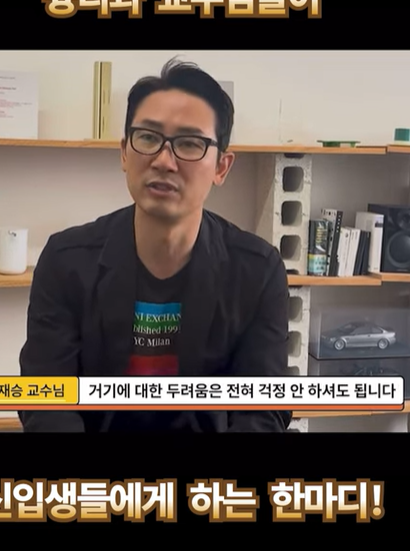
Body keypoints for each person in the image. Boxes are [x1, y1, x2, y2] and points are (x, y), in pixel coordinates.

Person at [19, 58, 291, 432]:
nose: (164, 160)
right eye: (148, 137)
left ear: (221, 167)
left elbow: (263, 410)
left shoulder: (257, 271)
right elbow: (46, 400)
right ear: (124, 152)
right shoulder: (66, 262)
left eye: (190, 143)